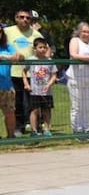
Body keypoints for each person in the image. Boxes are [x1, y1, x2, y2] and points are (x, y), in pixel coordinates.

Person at [4, 8, 43, 136]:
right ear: (16, 18)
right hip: (13, 73)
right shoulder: (7, 31)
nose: (25, 20)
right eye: (21, 17)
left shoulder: (36, 34)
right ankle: (19, 128)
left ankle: (36, 128)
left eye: (27, 18)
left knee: (33, 103)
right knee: (17, 103)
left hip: (32, 74)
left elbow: (45, 49)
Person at [66, 21, 89, 134]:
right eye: (83, 31)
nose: (86, 34)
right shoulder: (75, 40)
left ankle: (86, 129)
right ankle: (77, 130)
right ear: (79, 32)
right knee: (76, 106)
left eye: (88, 32)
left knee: (87, 105)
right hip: (75, 78)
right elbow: (74, 54)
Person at [22, 38, 58, 136]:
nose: (42, 49)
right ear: (35, 48)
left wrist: (49, 84)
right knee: (34, 110)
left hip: (47, 92)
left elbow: (54, 74)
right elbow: (24, 72)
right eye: (40, 47)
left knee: (47, 110)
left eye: (44, 47)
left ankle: (47, 129)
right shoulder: (30, 60)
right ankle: (34, 131)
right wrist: (26, 84)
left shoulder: (49, 61)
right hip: (34, 91)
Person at [0, 26, 22, 138]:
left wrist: (3, 56)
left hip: (6, 86)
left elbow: (17, 56)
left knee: (9, 113)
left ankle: (11, 136)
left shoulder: (7, 47)